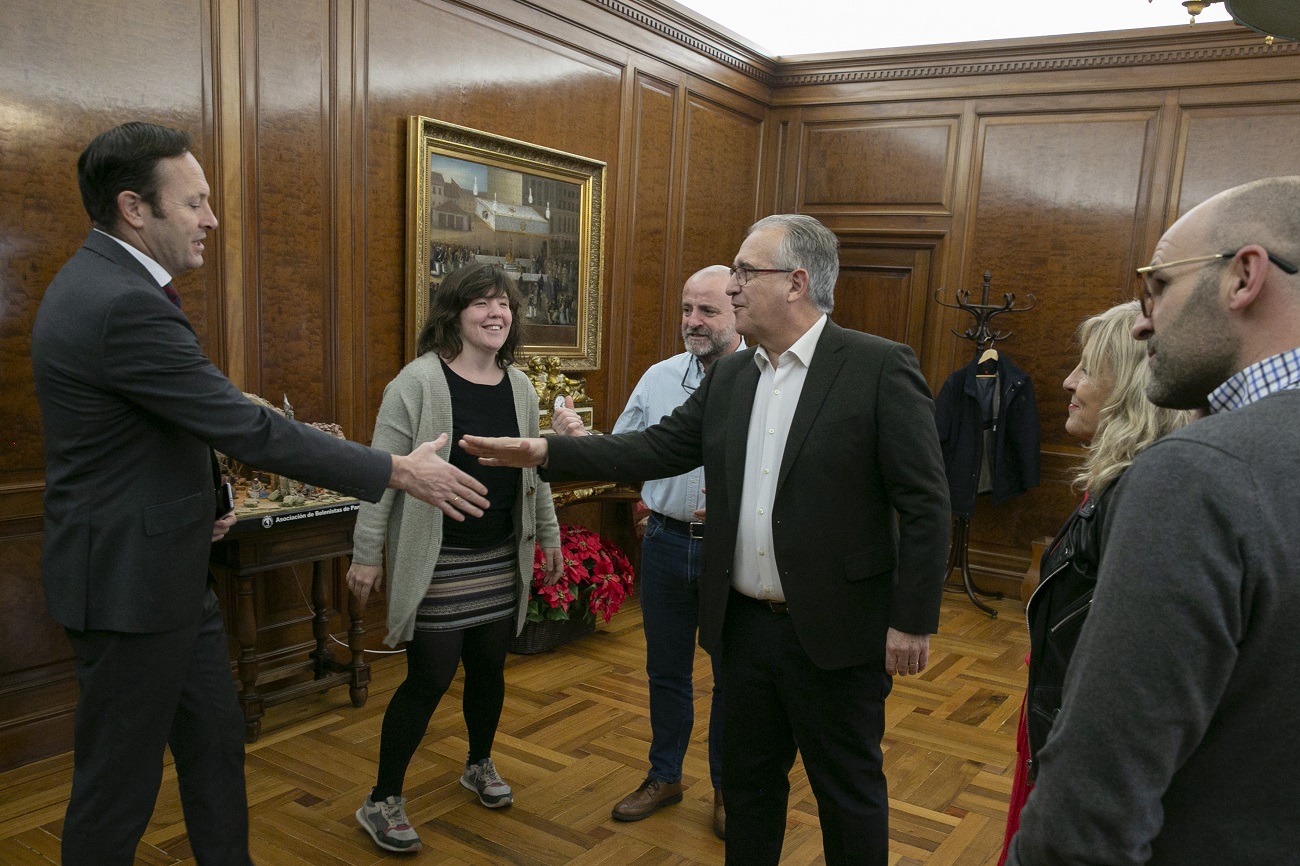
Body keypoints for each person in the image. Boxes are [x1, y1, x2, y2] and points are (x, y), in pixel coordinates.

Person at [30, 122, 492, 866]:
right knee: (116, 792)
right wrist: (399, 471)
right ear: (134, 208)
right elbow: (246, 427)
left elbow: (160, 427)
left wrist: (208, 502)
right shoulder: (121, 301)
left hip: (169, 574)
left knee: (215, 749)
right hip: (128, 591)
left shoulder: (112, 285)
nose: (212, 219)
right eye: (196, 203)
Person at [462, 214, 951, 866]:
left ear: (797, 282)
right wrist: (548, 452)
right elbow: (656, 446)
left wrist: (911, 620)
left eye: (747, 272)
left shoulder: (877, 367)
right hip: (744, 629)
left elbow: (926, 503)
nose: (735, 285)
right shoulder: (733, 376)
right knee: (748, 791)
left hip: (838, 632)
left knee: (849, 794)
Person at [1006, 176, 1300, 866]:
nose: (1142, 321)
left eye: (1158, 286)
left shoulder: (1199, 471)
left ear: (1244, 276)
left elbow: (1089, 818)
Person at [346, 262, 563, 855]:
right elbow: (378, 474)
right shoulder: (414, 383)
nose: (497, 314)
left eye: (505, 305)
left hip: (499, 555)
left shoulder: (520, 386)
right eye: (483, 303)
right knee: (431, 676)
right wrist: (368, 553)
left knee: (490, 670)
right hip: (438, 561)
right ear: (455, 313)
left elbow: (534, 470)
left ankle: (478, 763)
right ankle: (382, 799)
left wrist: (548, 535)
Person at [552, 264, 742, 838]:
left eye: (708, 311)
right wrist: (576, 440)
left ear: (738, 310)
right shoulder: (658, 377)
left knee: (734, 675)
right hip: (663, 542)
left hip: (731, 552)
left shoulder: (765, 380)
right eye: (687, 309)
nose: (693, 322)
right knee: (666, 672)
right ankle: (665, 775)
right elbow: (627, 450)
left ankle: (731, 790)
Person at [995, 301, 1188, 865]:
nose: (1068, 382)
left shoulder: (1145, 501)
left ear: (1130, 387)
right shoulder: (1110, 490)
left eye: (1087, 369)